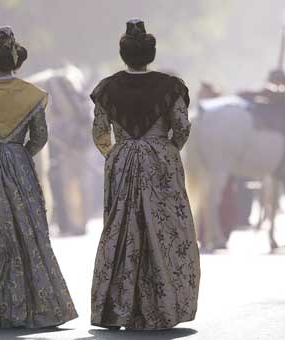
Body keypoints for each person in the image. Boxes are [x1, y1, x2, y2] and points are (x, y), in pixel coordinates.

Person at [0, 26, 77, 328]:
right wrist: (19, 155)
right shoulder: (31, 94)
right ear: (15, 60)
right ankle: (36, 307)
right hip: (20, 165)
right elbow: (41, 137)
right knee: (28, 233)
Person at [89, 19, 200, 330]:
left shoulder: (107, 87)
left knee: (121, 230)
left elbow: (100, 132)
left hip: (122, 158)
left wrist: (116, 154)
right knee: (164, 231)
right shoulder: (171, 85)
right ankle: (163, 306)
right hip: (160, 159)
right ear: (151, 53)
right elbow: (181, 127)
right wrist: (165, 149)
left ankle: (119, 308)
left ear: (123, 54)